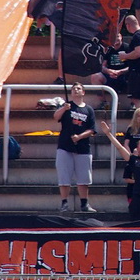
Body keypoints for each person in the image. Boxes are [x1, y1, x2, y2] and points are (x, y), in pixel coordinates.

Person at [53, 82, 98, 213]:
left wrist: (79, 137)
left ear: (83, 92)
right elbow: (56, 117)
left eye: (78, 88)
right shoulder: (66, 106)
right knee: (64, 177)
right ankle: (64, 203)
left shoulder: (88, 110)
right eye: (73, 89)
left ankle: (84, 203)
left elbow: (92, 129)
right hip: (65, 146)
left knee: (84, 177)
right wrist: (63, 109)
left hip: (83, 147)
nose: (76, 90)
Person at [118, 15, 140, 112]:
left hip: (139, 72)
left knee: (136, 99)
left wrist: (125, 56)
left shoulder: (138, 35)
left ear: (128, 25)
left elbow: (138, 52)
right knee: (136, 99)